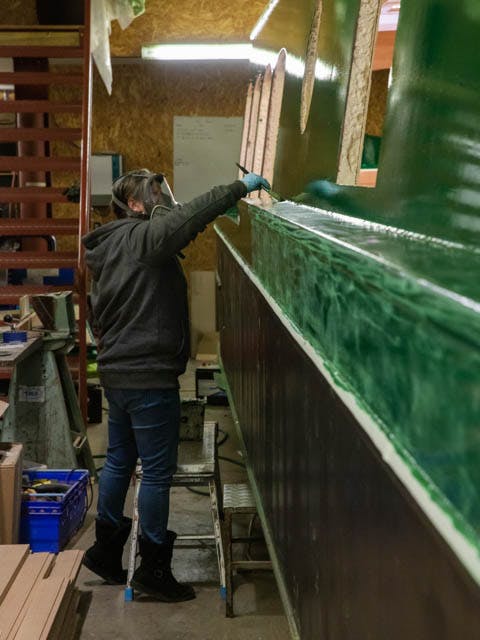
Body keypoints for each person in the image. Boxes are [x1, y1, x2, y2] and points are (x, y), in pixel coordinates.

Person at [82, 168, 270, 602]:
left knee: (117, 463)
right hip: (148, 377)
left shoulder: (109, 247)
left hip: (118, 374)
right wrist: (240, 188)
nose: (163, 198)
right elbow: (190, 217)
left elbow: (97, 316)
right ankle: (153, 568)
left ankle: (107, 553)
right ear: (133, 204)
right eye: (154, 192)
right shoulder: (143, 241)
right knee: (157, 474)